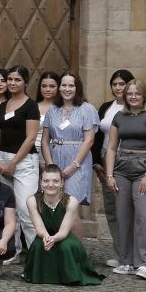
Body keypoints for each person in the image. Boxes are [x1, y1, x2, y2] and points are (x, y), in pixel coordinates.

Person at [103, 79, 146, 280]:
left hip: (143, 169)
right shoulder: (119, 116)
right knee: (123, 216)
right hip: (122, 169)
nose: (133, 96)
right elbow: (112, 147)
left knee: (144, 216)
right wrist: (110, 174)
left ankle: (145, 263)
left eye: (137, 93)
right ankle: (126, 261)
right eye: (129, 93)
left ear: (144, 95)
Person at [23, 164, 104, 285]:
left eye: (55, 181)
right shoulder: (32, 200)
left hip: (64, 236)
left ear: (62, 183)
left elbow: (64, 231)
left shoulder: (71, 201)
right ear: (41, 183)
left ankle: (70, 275)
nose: (50, 185)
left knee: (65, 246)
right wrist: (46, 237)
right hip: (44, 235)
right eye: (46, 181)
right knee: (38, 246)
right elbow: (39, 227)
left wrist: (53, 239)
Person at [0, 66, 40, 249]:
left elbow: (31, 138)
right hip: (2, 160)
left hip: (24, 162)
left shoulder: (31, 105)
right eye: (9, 79)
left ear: (25, 82)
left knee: (27, 210)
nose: (12, 83)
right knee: (10, 211)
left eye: (16, 80)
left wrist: (12, 163)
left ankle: (37, 255)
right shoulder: (3, 106)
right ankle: (14, 250)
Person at [40, 72, 98, 209]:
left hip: (78, 161)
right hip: (55, 159)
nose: (67, 89)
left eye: (71, 85)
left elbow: (89, 140)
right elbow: (44, 140)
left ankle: (71, 231)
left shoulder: (87, 109)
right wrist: (50, 166)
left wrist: (74, 165)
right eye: (64, 85)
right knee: (56, 205)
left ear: (77, 88)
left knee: (71, 205)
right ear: (59, 88)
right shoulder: (52, 111)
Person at [93, 69, 133, 267]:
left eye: (122, 84)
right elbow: (97, 135)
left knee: (128, 208)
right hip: (106, 158)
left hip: (128, 160)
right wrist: (96, 163)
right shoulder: (106, 107)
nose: (118, 88)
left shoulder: (137, 106)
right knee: (112, 209)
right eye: (115, 84)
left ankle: (132, 254)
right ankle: (120, 253)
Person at [34, 70, 60, 154]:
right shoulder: (33, 107)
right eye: (44, 86)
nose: (47, 89)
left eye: (52, 86)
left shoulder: (63, 108)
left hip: (57, 149)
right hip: (34, 149)